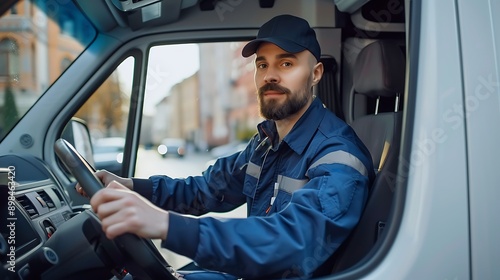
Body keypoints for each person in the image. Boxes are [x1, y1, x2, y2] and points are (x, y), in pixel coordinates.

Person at [77, 14, 375, 279]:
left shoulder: (338, 154)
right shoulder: (265, 144)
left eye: (286, 63)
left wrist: (166, 225)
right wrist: (130, 186)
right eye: (262, 64)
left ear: (316, 74)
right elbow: (204, 190)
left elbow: (292, 240)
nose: (270, 75)